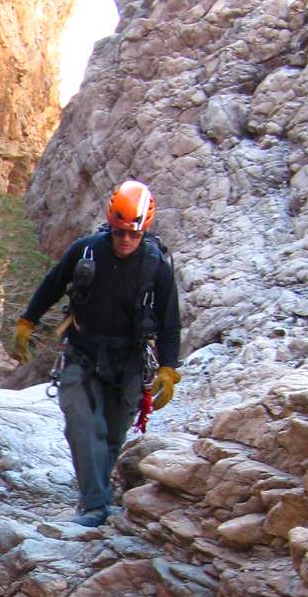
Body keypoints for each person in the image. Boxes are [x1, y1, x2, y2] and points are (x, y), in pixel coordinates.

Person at [12, 179, 181, 527]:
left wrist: (168, 368)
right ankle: (94, 505)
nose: (125, 240)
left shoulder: (156, 266)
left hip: (128, 360)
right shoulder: (86, 251)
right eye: (119, 232)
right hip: (82, 353)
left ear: (144, 230)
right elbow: (53, 283)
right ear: (111, 225)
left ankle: (97, 492)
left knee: (113, 434)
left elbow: (169, 322)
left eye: (133, 234)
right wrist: (28, 320)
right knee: (81, 423)